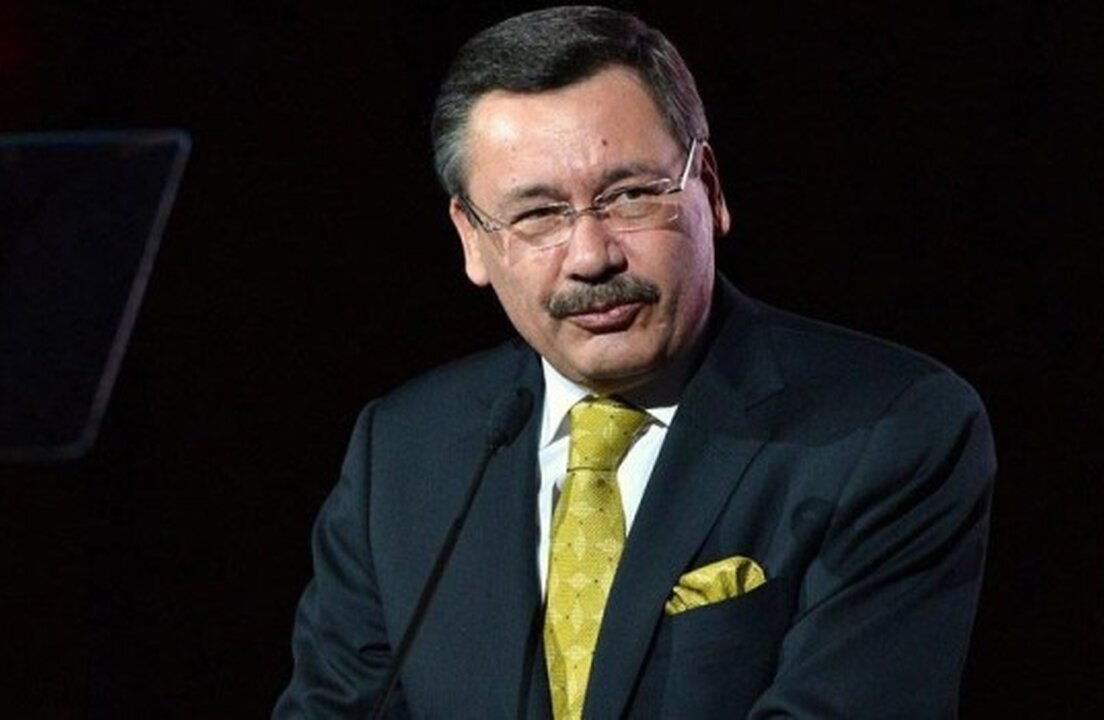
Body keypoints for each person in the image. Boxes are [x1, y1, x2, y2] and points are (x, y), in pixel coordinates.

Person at [274, 6, 995, 719]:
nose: (591, 257)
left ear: (709, 188)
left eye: (629, 196)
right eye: (538, 215)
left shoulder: (888, 430)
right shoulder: (403, 453)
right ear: (472, 238)